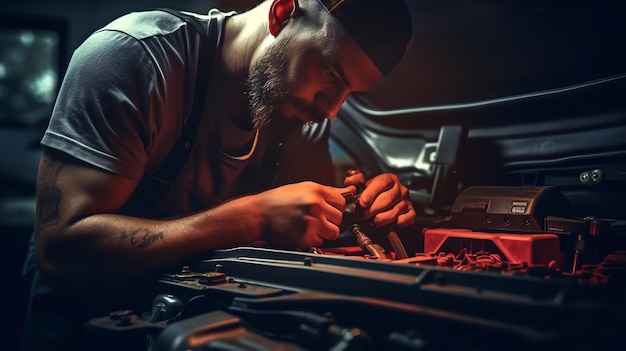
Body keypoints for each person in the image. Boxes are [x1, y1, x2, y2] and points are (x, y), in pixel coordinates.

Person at [21, 0, 415, 349]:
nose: (331, 110)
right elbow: (60, 249)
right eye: (331, 73)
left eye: (351, 95)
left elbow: (302, 237)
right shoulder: (135, 59)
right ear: (282, 13)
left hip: (202, 328)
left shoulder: (303, 119)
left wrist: (360, 211)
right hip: (86, 331)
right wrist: (252, 216)